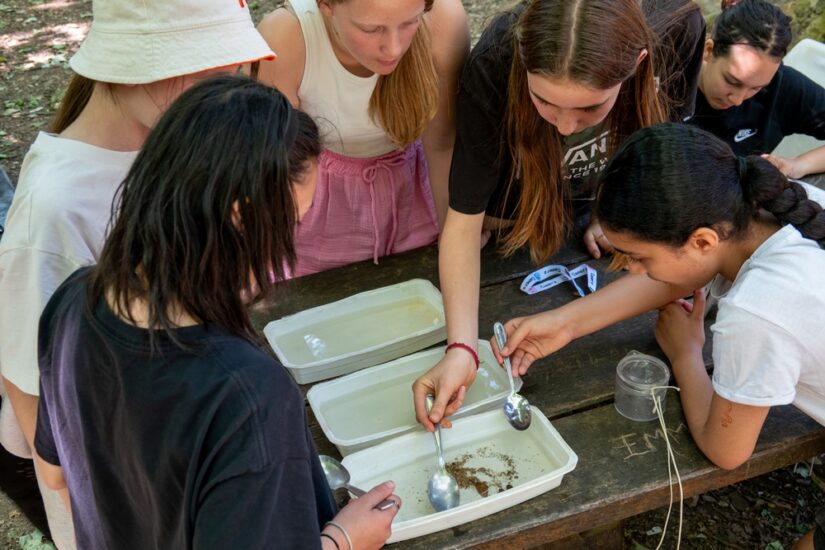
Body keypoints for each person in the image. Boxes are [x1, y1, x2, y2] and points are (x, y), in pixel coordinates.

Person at [33, 75, 400, 550]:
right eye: (292, 221)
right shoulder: (246, 397)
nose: (289, 244)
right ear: (241, 216)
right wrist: (345, 539)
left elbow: (55, 473)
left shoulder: (72, 302)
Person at [0, 1, 276, 547]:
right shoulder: (54, 208)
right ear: (154, 71)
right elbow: (30, 390)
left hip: (185, 442)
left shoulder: (166, 143)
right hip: (121, 489)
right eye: (216, 71)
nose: (233, 90)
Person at [412, 0, 705, 431]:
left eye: (590, 108)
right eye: (544, 101)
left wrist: (614, 210)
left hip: (594, 201)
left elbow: (661, 153)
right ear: (522, 61)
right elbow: (464, 221)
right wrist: (461, 348)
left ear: (639, 63)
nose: (566, 126)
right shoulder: (495, 60)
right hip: (517, 216)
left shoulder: (678, 25)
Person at [493, 122, 825, 469]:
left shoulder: (755, 314)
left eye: (639, 258)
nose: (631, 269)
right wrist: (565, 323)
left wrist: (686, 354)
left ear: (702, 241)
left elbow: (726, 450)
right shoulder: (783, 205)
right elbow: (677, 275)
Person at [256, 0, 469, 277]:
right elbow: (275, 169)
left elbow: (443, 143)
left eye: (409, 22)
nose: (393, 48)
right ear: (326, 5)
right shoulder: (285, 37)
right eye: (371, 29)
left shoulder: (444, 18)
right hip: (317, 214)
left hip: (416, 198)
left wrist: (454, 234)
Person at [687, 0, 825, 179]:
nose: (737, 99)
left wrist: (798, 165)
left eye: (757, 88)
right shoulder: (669, 82)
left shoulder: (781, 88)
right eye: (732, 81)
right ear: (708, 50)